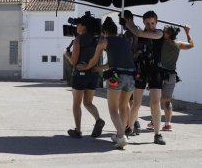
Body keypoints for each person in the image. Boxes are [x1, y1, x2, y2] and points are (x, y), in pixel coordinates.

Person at [80, 17, 136, 149]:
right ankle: (120, 134)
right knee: (123, 107)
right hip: (131, 76)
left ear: (104, 32)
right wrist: (99, 69)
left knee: (112, 109)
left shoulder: (104, 41)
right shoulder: (124, 41)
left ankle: (121, 136)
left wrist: (86, 67)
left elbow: (94, 60)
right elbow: (112, 63)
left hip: (116, 77)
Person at [125, 10, 166, 145]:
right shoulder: (139, 35)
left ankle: (157, 134)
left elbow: (139, 32)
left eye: (152, 23)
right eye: (147, 23)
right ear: (144, 22)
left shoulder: (159, 33)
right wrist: (128, 23)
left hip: (155, 70)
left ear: (156, 22)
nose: (150, 25)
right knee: (136, 103)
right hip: (141, 70)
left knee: (155, 103)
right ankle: (129, 128)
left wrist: (130, 26)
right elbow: (134, 43)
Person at [64, 14, 105, 139]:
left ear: (84, 26)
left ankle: (78, 130)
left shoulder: (78, 40)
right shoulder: (98, 39)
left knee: (77, 103)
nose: (77, 26)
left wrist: (67, 56)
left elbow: (75, 62)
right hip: (93, 74)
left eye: (79, 24)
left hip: (80, 75)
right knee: (88, 102)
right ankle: (98, 119)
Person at [160, 25, 194, 131]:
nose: (162, 32)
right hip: (171, 75)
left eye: (164, 31)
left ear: (169, 34)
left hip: (159, 74)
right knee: (167, 102)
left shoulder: (161, 42)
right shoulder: (178, 44)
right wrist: (187, 32)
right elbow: (192, 45)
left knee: (155, 99)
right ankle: (168, 123)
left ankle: (154, 121)